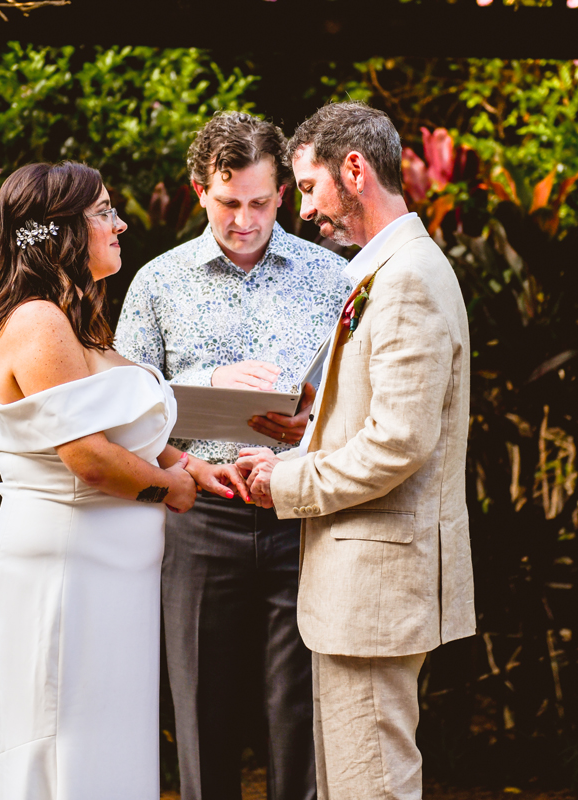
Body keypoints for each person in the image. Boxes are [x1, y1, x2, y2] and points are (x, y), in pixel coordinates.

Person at [0, 161, 247, 799]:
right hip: (66, 570)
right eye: (103, 212)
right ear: (59, 230)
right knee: (65, 744)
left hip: (110, 579)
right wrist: (169, 490)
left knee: (106, 743)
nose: (119, 224)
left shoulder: (78, 322)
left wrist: (189, 464)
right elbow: (88, 456)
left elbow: (123, 431)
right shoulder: (38, 321)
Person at [237, 102, 475, 800]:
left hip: (378, 590)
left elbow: (400, 442)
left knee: (371, 786)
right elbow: (385, 416)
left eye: (308, 188)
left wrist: (285, 482)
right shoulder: (388, 270)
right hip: (362, 588)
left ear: (354, 169)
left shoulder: (405, 280)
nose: (305, 211)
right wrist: (311, 427)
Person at [114, 112, 349, 800]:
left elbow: (359, 397)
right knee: (201, 720)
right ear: (198, 191)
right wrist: (204, 388)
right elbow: (123, 412)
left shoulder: (335, 280)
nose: (243, 219)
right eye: (227, 203)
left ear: (282, 193)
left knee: (299, 721)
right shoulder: (156, 283)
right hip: (199, 518)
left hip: (300, 516)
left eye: (258, 202)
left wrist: (314, 418)